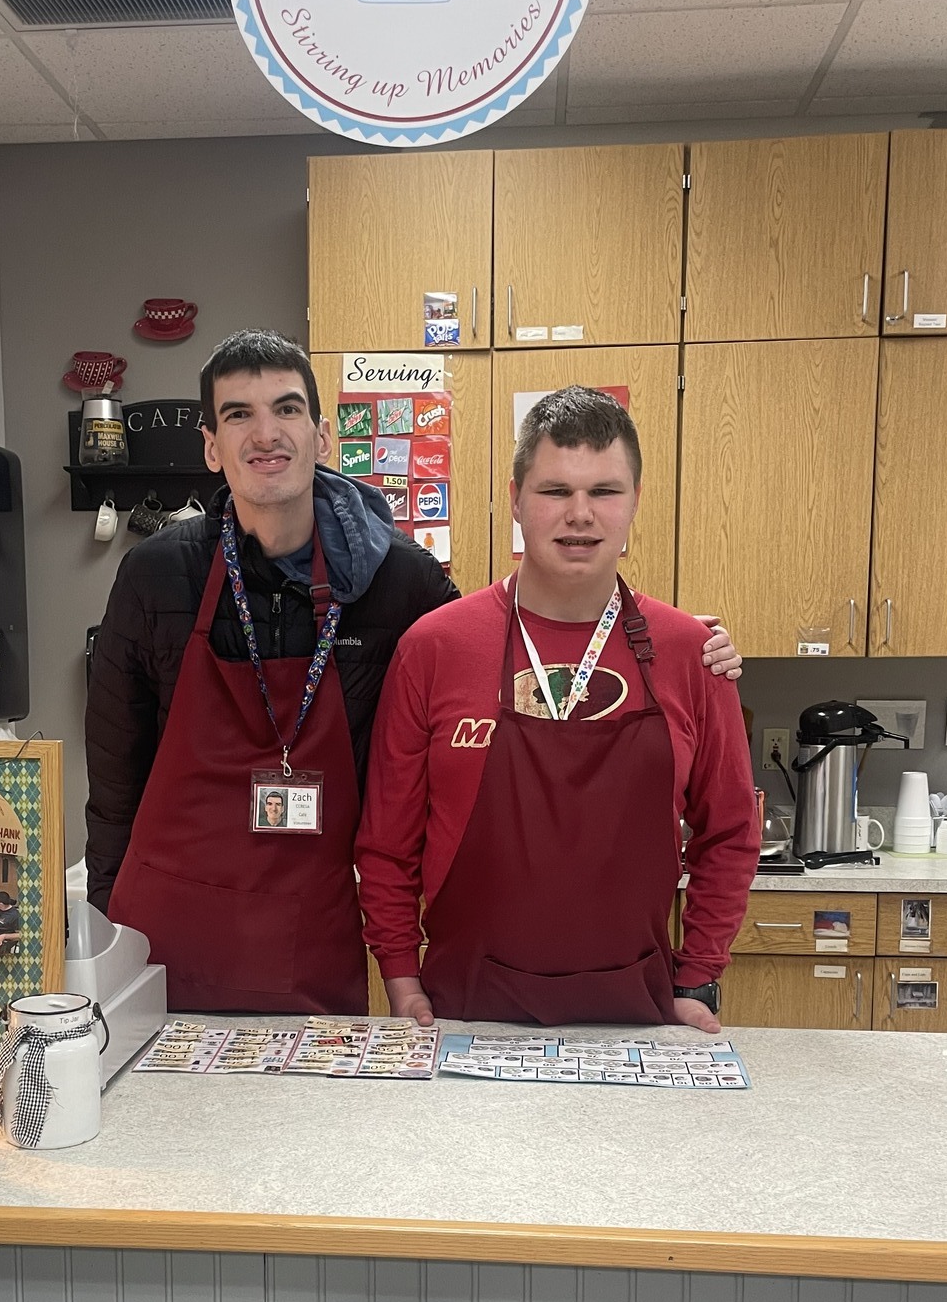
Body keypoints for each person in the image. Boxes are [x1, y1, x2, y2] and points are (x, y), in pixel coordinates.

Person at [84, 332, 745, 1015]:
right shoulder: (155, 574)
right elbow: (113, 775)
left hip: (310, 932)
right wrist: (106, 932)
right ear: (210, 446)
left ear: (322, 435)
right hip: (164, 932)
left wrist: (683, 646)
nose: (265, 434)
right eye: (237, 414)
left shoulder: (400, 582)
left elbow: (499, 648)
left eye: (286, 409)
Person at [356, 387, 759, 1031]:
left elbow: (731, 831)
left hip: (640, 1015)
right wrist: (401, 979)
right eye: (555, 491)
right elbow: (387, 842)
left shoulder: (691, 653)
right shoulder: (433, 648)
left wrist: (699, 976)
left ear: (634, 502)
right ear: (516, 500)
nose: (580, 514)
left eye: (604, 491)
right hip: (463, 1014)